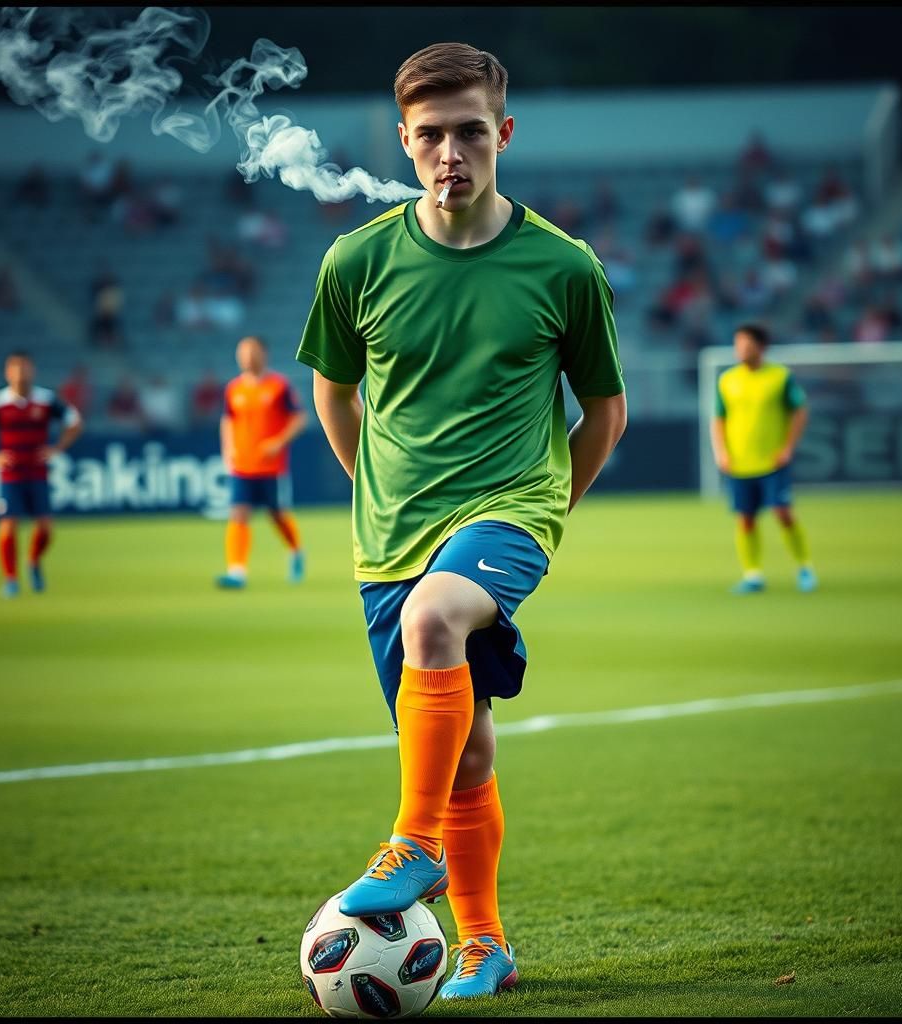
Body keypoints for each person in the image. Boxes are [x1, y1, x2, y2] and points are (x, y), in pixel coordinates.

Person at [297, 42, 626, 1001]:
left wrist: (546, 512)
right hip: (392, 533)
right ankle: (485, 943)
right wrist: (373, 486)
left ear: (503, 134)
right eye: (431, 134)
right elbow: (333, 391)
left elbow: (604, 412)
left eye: (470, 132)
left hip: (509, 509)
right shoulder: (355, 260)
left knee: (435, 619)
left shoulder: (564, 267)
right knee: (469, 745)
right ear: (404, 141)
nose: (452, 152)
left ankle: (411, 845)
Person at [710, 324, 816, 594]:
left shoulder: (780, 377)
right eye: (737, 344)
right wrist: (721, 452)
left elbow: (800, 410)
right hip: (739, 463)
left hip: (772, 461)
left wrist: (788, 446)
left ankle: (804, 566)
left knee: (783, 513)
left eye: (746, 344)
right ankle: (753, 574)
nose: (740, 350)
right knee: (745, 518)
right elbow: (718, 419)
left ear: (761, 346)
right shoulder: (728, 380)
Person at [0, 351, 83, 598]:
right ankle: (10, 579)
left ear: (32, 370)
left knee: (45, 528)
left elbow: (74, 421)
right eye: (15, 368)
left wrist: (57, 448)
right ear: (7, 372)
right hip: (10, 474)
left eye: (24, 368)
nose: (20, 373)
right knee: (8, 525)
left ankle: (33, 561)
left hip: (37, 471)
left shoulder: (45, 400)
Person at [216, 336, 308, 589]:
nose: (247, 357)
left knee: (277, 514)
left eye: (252, 351)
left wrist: (279, 441)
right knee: (238, 512)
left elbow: (300, 418)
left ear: (263, 354)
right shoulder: (233, 388)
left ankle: (296, 550)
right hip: (242, 465)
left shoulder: (279, 386)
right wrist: (228, 449)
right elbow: (228, 420)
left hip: (271, 466)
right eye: (242, 352)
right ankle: (236, 571)